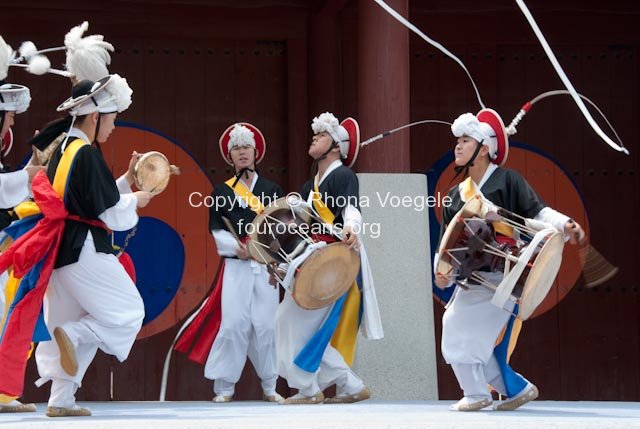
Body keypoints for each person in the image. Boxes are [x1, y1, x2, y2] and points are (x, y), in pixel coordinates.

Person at [0, 74, 152, 418]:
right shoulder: (86, 154)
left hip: (59, 252)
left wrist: (126, 181)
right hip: (85, 248)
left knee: (73, 317)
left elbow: (82, 198)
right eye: (112, 120)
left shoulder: (62, 150)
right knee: (127, 313)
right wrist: (138, 198)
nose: (113, 128)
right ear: (96, 116)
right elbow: (110, 211)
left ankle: (61, 399)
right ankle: (74, 337)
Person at [435, 109, 585, 411]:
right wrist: (441, 272)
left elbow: (539, 213)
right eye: (458, 142)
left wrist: (565, 224)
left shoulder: (508, 181)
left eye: (465, 141)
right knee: (472, 337)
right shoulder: (454, 196)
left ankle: (477, 395)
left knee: (455, 327)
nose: (458, 147)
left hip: (506, 275)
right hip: (472, 278)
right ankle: (515, 389)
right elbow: (446, 243)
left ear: (485, 148)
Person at [275, 112, 383, 405]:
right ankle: (350, 385)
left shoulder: (344, 176)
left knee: (294, 323)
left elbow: (351, 209)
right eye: (314, 135)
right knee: (288, 323)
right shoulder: (310, 186)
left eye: (321, 136)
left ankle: (311, 390)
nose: (314, 139)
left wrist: (351, 227)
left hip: (334, 260)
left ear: (336, 147)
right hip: (312, 259)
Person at [175, 123, 283, 403]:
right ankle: (224, 388)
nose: (242, 152)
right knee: (234, 324)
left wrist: (268, 251)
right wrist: (238, 248)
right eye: (236, 148)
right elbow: (217, 230)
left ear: (256, 152)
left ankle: (270, 385)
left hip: (266, 267)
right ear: (230, 157)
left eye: (246, 147)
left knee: (267, 325)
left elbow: (282, 228)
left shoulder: (272, 189)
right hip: (236, 265)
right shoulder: (221, 192)